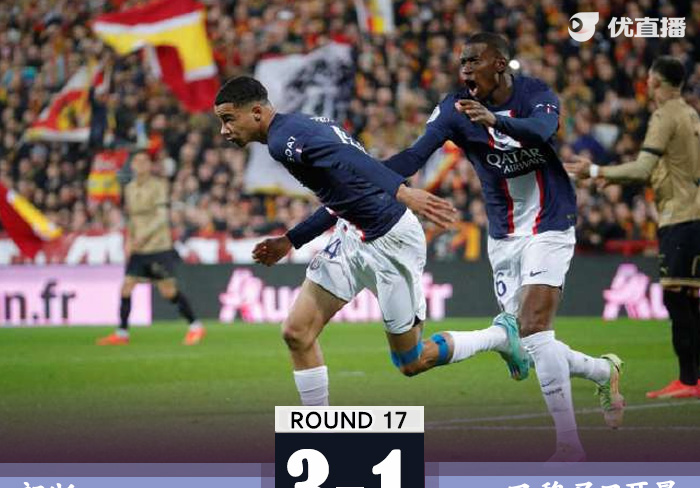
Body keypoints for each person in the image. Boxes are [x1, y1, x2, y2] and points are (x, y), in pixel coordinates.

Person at [280, 33, 624, 461]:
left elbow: (542, 131)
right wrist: (370, 179)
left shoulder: (536, 94)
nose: (465, 70)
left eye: (473, 61)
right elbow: (414, 156)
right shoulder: (454, 108)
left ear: (499, 63)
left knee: (535, 327)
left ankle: (569, 447)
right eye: (461, 62)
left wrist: (494, 121)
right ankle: (602, 370)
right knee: (532, 340)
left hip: (551, 219)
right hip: (503, 232)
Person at [214, 76, 530, 408]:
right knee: (296, 331)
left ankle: (499, 337)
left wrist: (402, 192)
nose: (224, 130)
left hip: (391, 240)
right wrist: (292, 240)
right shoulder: (302, 127)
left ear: (257, 112)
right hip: (351, 235)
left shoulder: (284, 140)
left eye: (228, 119)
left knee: (411, 361)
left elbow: (348, 158)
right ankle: (316, 429)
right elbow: (346, 193)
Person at [566, 56, 700, 400]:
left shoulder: (664, 115)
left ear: (655, 83)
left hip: (679, 218)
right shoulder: (690, 114)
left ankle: (689, 380)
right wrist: (613, 179)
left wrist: (596, 171)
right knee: (691, 299)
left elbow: (642, 168)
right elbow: (667, 171)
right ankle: (694, 378)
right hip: (693, 214)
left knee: (677, 298)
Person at [96, 150, 205, 346]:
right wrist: (129, 240)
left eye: (145, 161)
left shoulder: (158, 186)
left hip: (157, 247)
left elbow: (162, 218)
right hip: (139, 248)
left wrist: (143, 236)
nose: (141, 165)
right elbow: (132, 219)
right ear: (132, 165)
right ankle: (122, 333)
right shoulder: (129, 188)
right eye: (137, 161)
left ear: (150, 165)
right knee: (126, 287)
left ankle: (195, 326)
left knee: (168, 291)